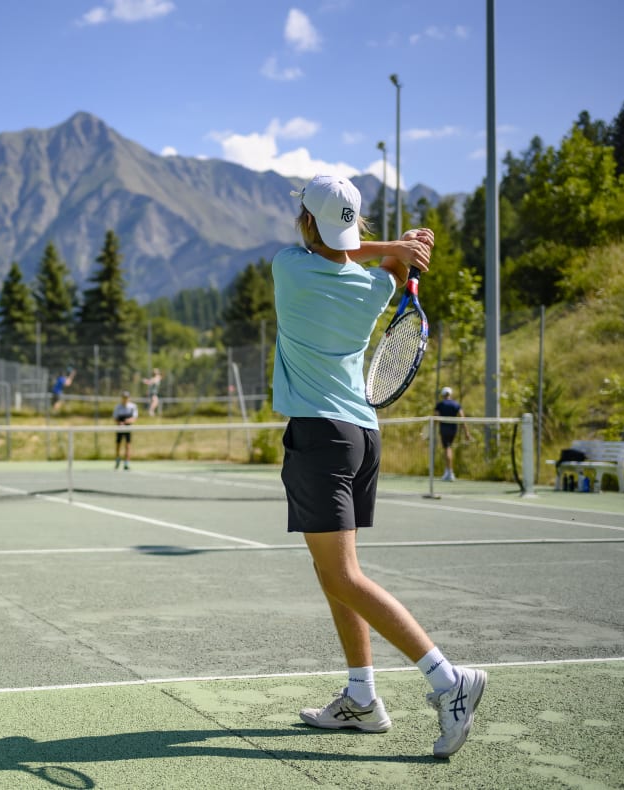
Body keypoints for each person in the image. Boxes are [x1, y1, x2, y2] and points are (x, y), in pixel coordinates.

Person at [272, 175, 486, 759]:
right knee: (334, 572)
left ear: (306, 221)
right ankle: (362, 698)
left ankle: (448, 680)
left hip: (320, 437)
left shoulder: (289, 268)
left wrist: (396, 245)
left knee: (342, 576)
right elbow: (383, 261)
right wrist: (401, 249)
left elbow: (337, 249)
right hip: (362, 436)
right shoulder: (375, 287)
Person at [434, 386, 472, 481]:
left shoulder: (440, 405)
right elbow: (462, 418)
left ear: (443, 395)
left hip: (444, 429)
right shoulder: (456, 404)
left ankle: (449, 472)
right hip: (453, 430)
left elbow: (436, 418)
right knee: (449, 448)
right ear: (450, 394)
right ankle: (448, 471)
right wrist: (466, 432)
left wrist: (432, 429)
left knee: (447, 449)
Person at [113, 390, 138, 470]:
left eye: (126, 397)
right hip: (119, 427)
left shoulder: (132, 406)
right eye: (124, 397)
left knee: (128, 445)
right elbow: (115, 418)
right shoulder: (118, 407)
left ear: (129, 398)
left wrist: (127, 422)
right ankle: (117, 460)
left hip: (128, 427)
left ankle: (126, 463)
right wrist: (120, 423)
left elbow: (134, 418)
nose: (125, 399)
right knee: (118, 444)